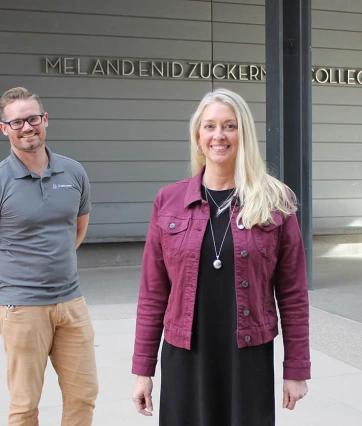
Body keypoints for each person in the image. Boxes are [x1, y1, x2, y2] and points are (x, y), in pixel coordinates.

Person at [131, 88, 310, 425]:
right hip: (185, 354)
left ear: (244, 133)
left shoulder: (276, 201)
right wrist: (143, 369)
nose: (219, 135)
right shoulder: (168, 200)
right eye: (209, 126)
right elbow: (153, 293)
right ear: (198, 135)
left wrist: (295, 369)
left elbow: (293, 294)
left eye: (229, 126)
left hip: (248, 357)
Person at [0, 87, 98, 426]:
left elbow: (76, 231)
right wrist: (17, 277)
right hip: (21, 308)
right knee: (25, 406)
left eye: (33, 119)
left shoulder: (73, 173)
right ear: (4, 128)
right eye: (17, 122)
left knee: (83, 395)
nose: (27, 128)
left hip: (71, 303)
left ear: (45, 120)